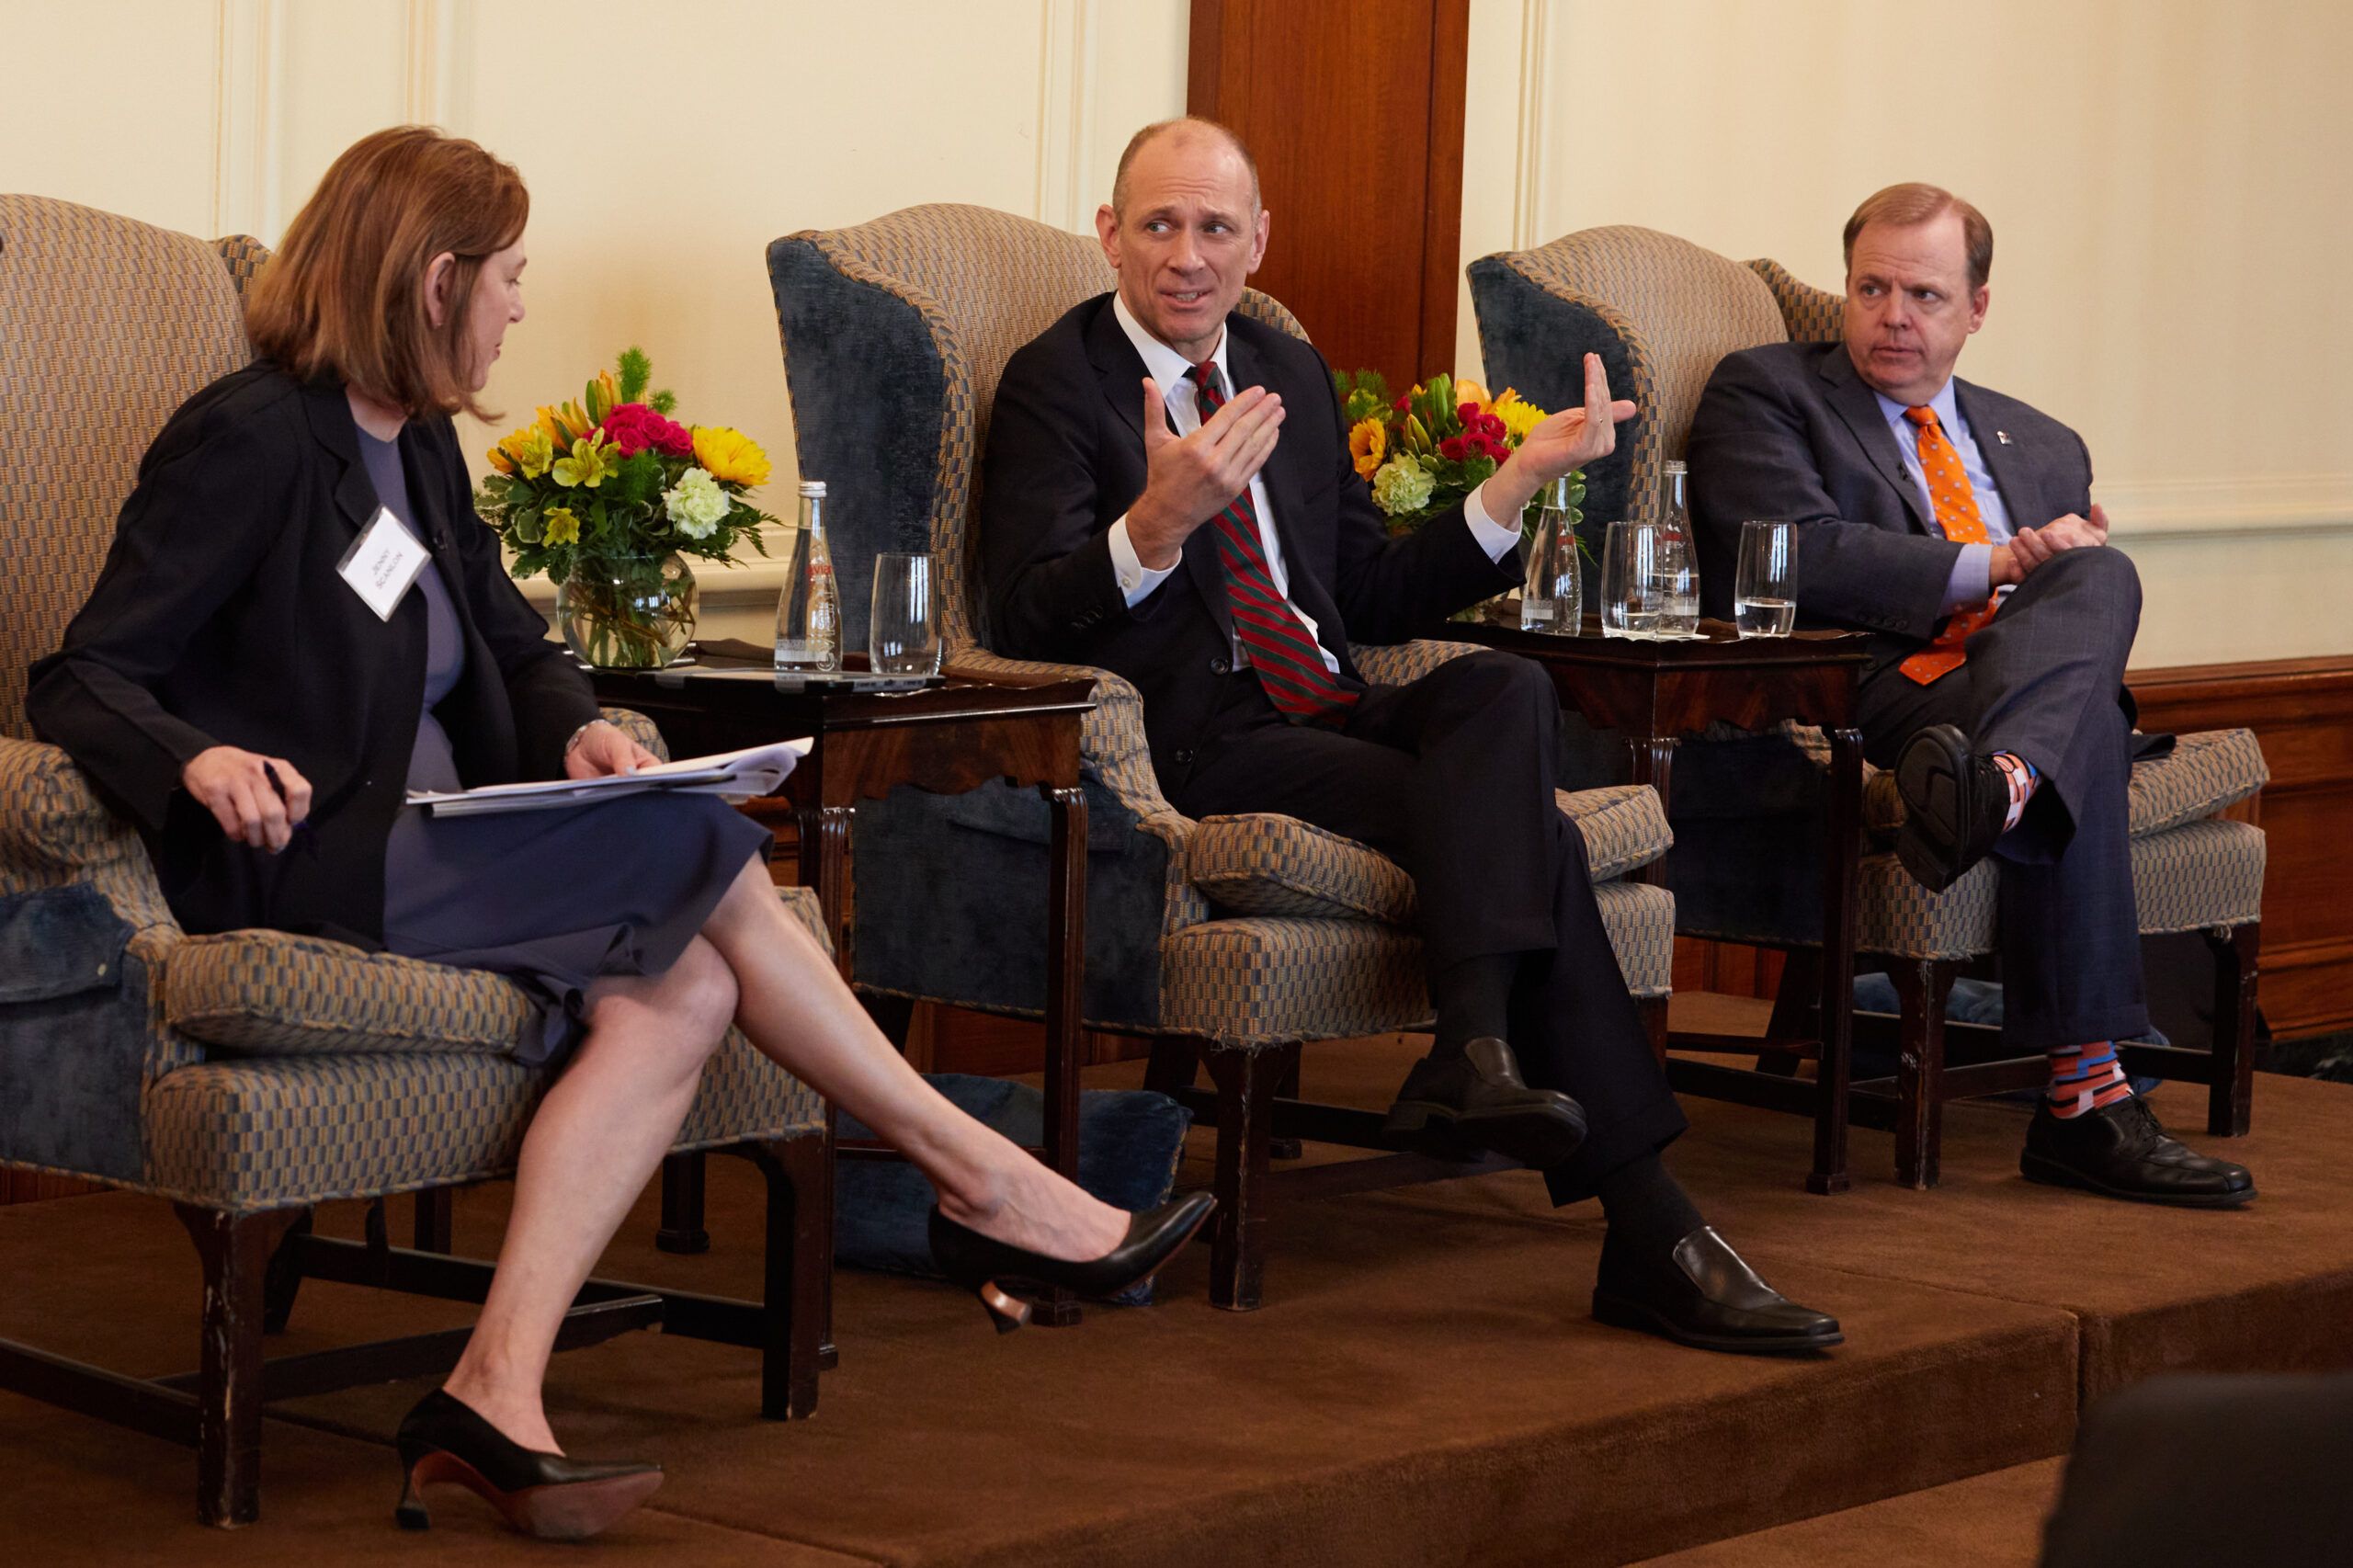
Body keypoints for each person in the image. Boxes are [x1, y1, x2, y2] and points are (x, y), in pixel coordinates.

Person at [25, 126, 1211, 1542]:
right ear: (435, 279)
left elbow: (513, 644)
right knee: (695, 847)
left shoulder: (418, 445)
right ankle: (983, 1177)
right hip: (307, 853)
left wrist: (581, 729)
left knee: (690, 980)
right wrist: (198, 755)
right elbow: (82, 673)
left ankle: (492, 1389)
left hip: (442, 837)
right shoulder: (254, 437)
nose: (522, 306)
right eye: (511, 277)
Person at [980, 116, 1840, 1355]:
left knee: (1502, 689)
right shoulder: (1058, 381)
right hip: (1198, 738)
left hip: (1324, 698)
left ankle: (1477, 1052)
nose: (1186, 254)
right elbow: (1022, 613)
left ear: (1258, 240)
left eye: (1215, 226)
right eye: (1158, 224)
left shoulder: (1283, 364)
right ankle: (1640, 1215)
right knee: (1534, 836)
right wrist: (1155, 524)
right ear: (1109, 234)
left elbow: (1368, 596)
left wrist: (1514, 484)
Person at [1685, 183, 2253, 1208]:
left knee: (2097, 579)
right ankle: (2085, 1100)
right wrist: (1996, 561)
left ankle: (2002, 777)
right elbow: (1793, 555)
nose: (1893, 316)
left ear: (1977, 307)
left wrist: (2052, 573)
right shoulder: (1767, 391)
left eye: (1925, 295)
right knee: (2082, 718)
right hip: (1875, 685)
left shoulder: (2045, 442)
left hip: (2003, 691)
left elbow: (2067, 612)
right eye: (1871, 288)